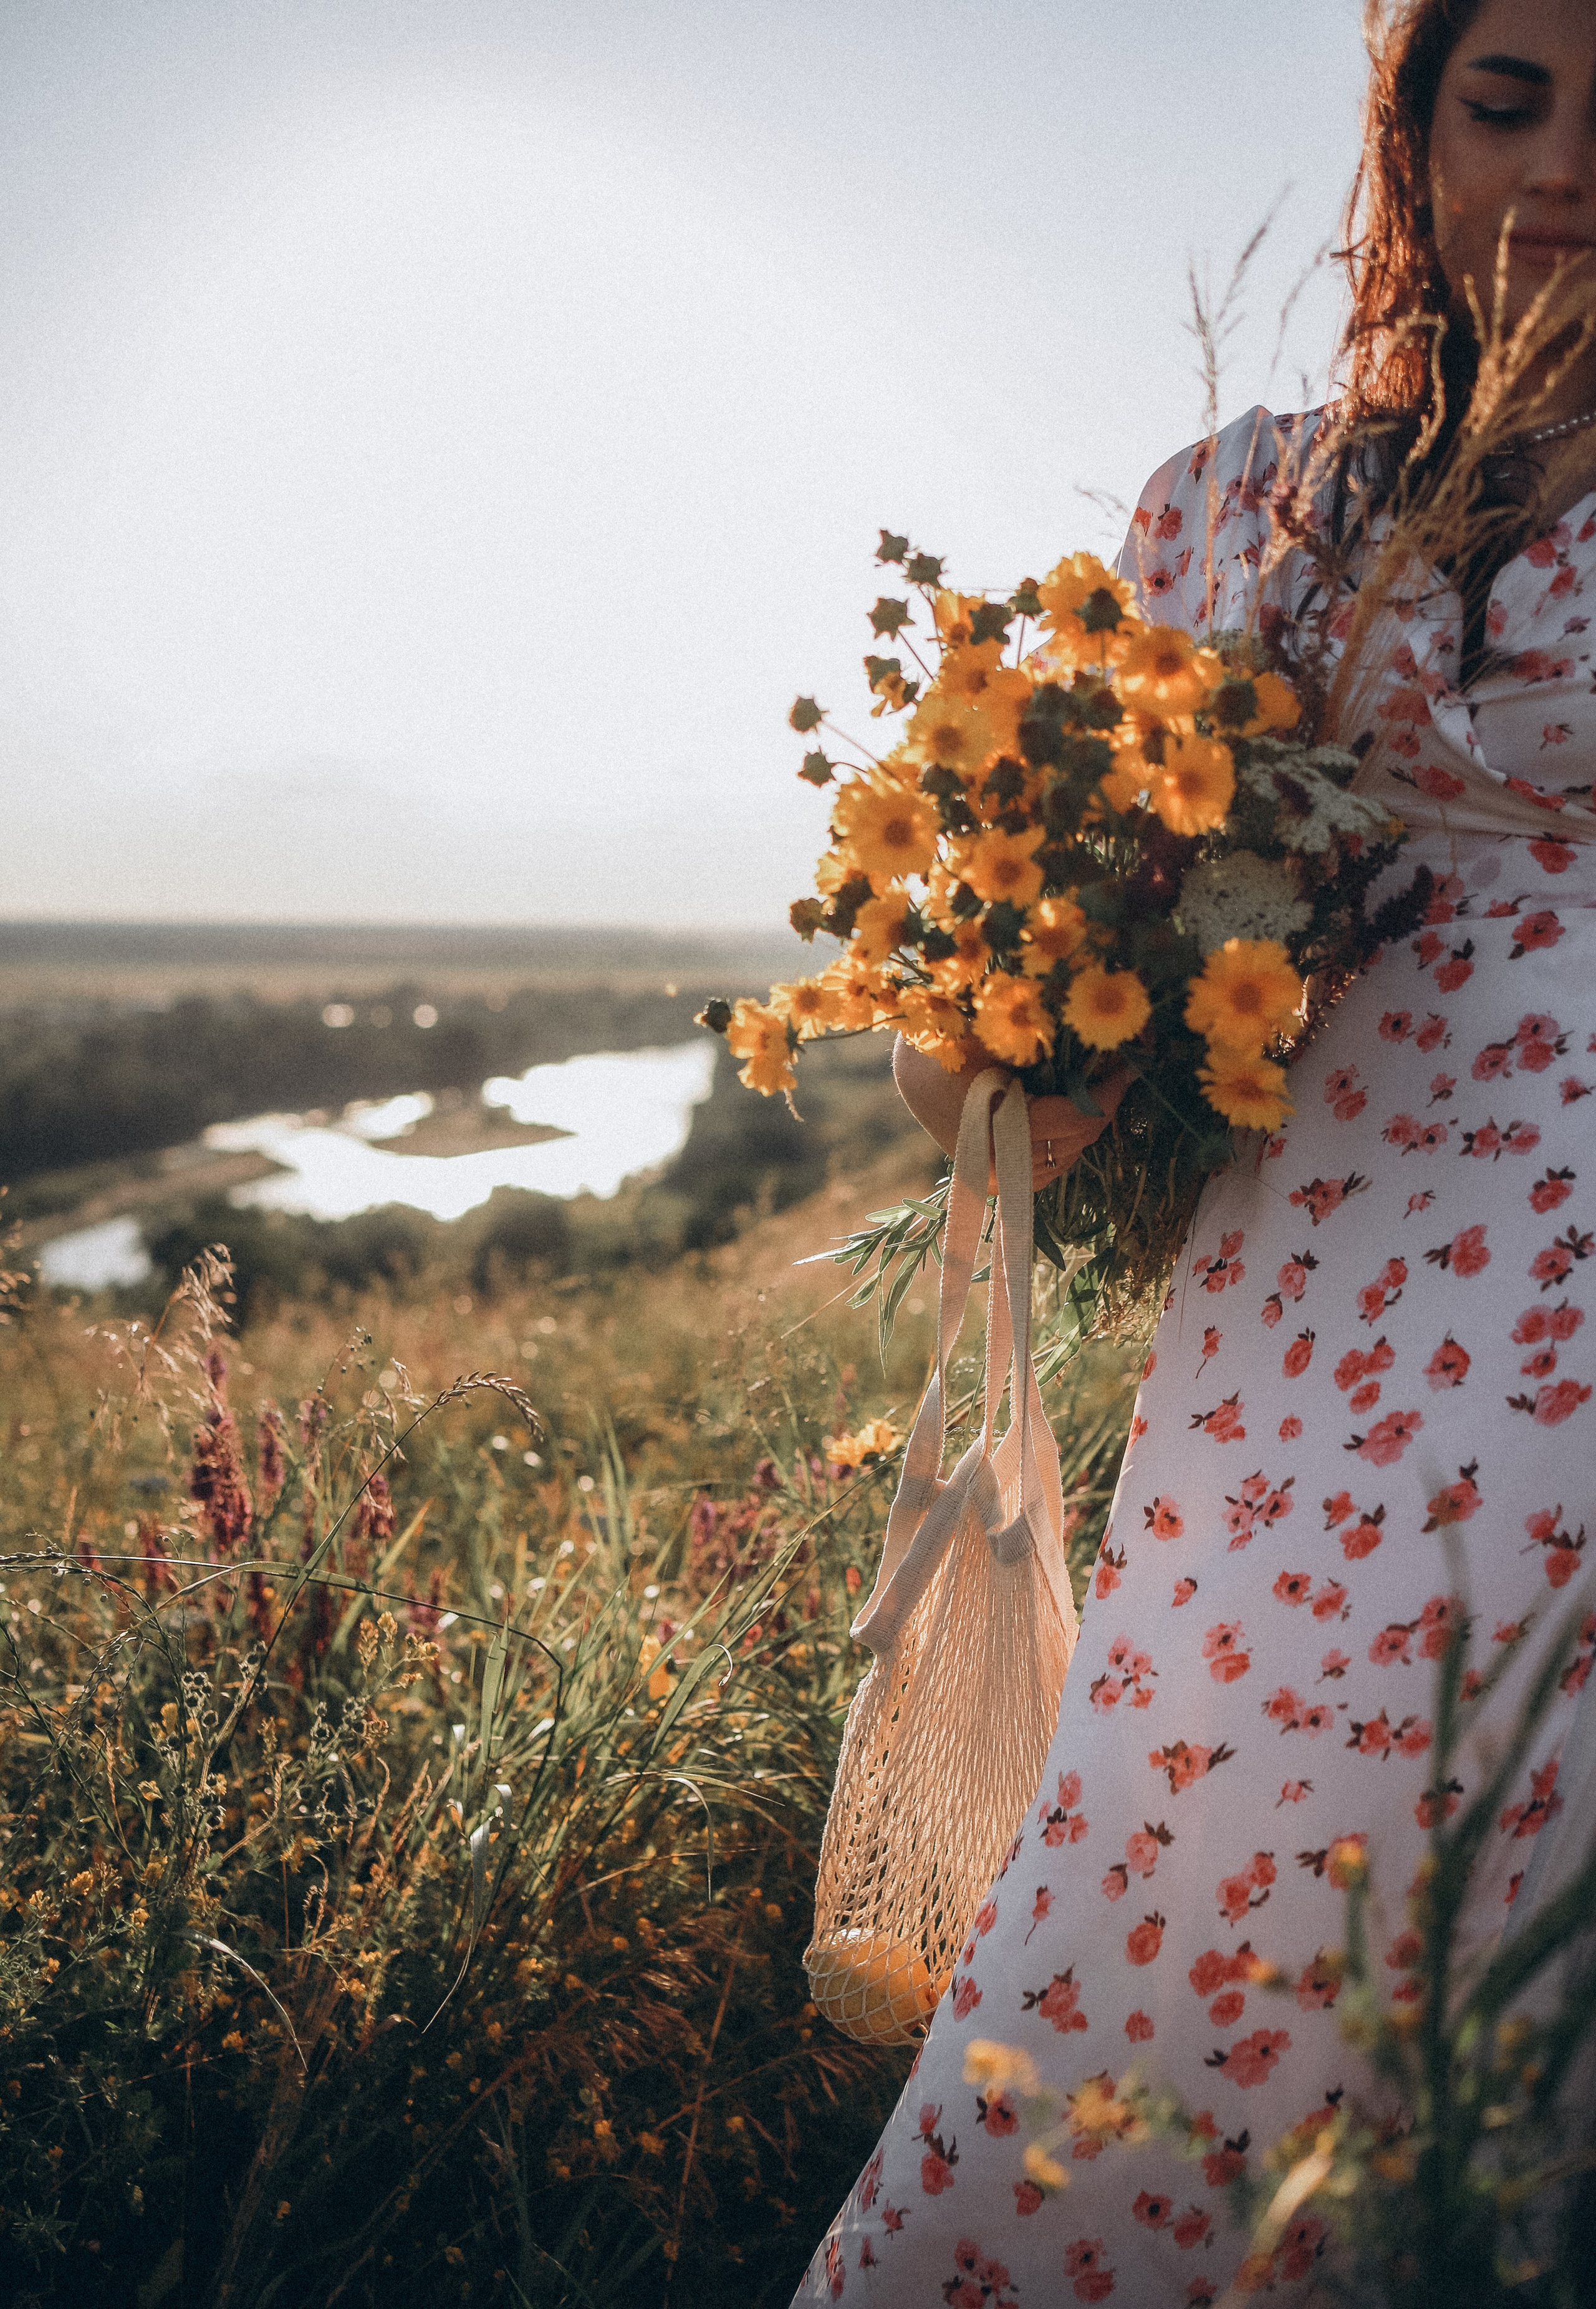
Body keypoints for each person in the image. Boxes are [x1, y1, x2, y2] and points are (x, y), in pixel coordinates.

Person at [796, 2, 1596, 2298]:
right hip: (1299, 1292)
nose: (1563, 166)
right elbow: (1003, 966)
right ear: (1410, 131)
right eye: (1506, 99)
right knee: (1214, 1807)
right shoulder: (1237, 501)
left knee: (1501, 1840)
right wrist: (1005, 1067)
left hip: (1572, 1285)